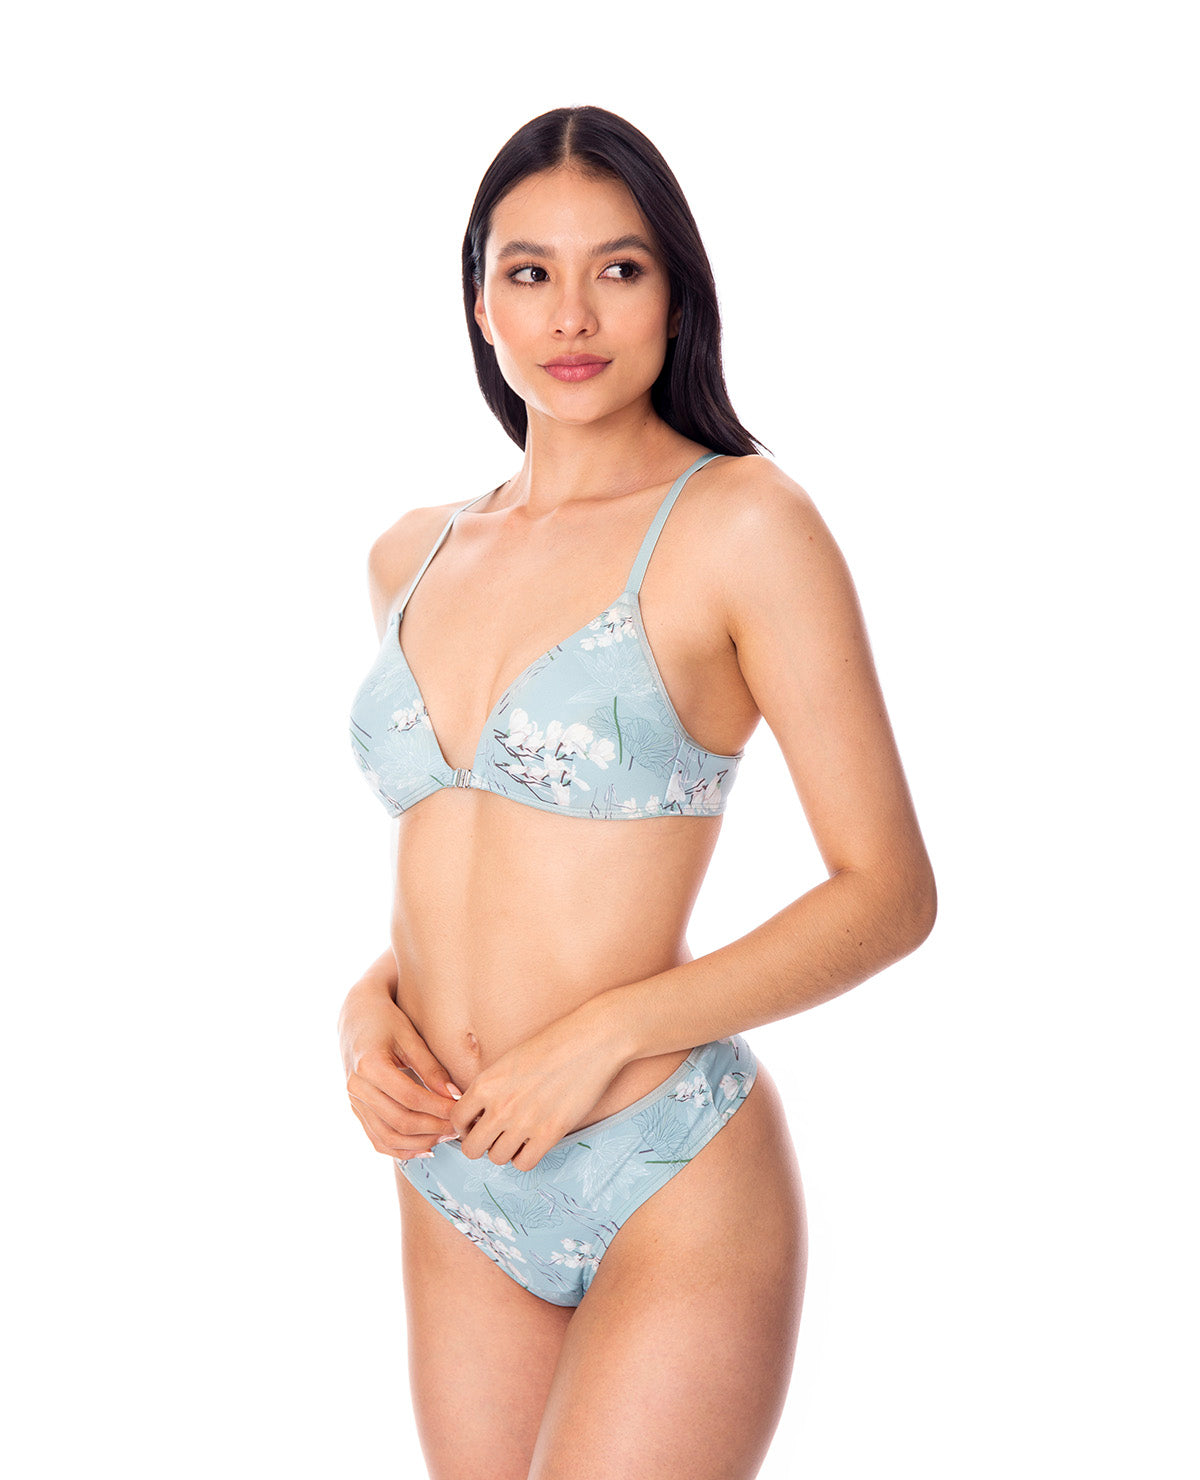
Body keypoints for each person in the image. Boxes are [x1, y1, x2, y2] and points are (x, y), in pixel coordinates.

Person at [339, 104, 936, 1480]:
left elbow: (890, 893)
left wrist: (600, 1037)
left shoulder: (744, 524)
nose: (572, 313)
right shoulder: (411, 554)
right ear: (479, 301)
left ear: (677, 292)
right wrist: (365, 1012)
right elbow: (471, 867)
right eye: (529, 271)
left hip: (662, 1164)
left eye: (619, 267)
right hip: (453, 1170)